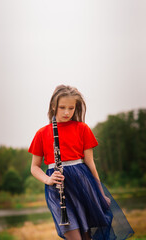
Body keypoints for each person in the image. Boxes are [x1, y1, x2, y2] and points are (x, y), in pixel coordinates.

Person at [28, 85, 134, 240]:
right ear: (53, 106)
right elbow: (34, 167)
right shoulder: (42, 133)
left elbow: (90, 164)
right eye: (62, 107)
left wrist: (100, 193)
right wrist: (48, 179)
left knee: (86, 236)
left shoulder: (82, 128)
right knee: (72, 234)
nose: (66, 112)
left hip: (83, 184)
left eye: (71, 108)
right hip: (58, 188)